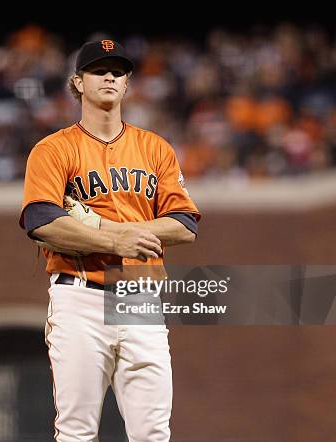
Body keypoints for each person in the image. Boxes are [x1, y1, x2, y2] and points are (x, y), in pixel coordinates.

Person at [20, 40, 201, 441]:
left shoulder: (155, 148)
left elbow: (185, 223)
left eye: (117, 72)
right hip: (79, 296)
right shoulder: (53, 150)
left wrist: (113, 232)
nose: (109, 77)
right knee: (77, 432)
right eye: (98, 70)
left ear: (127, 84)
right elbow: (40, 220)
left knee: (153, 433)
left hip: (140, 298)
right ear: (77, 83)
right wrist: (115, 239)